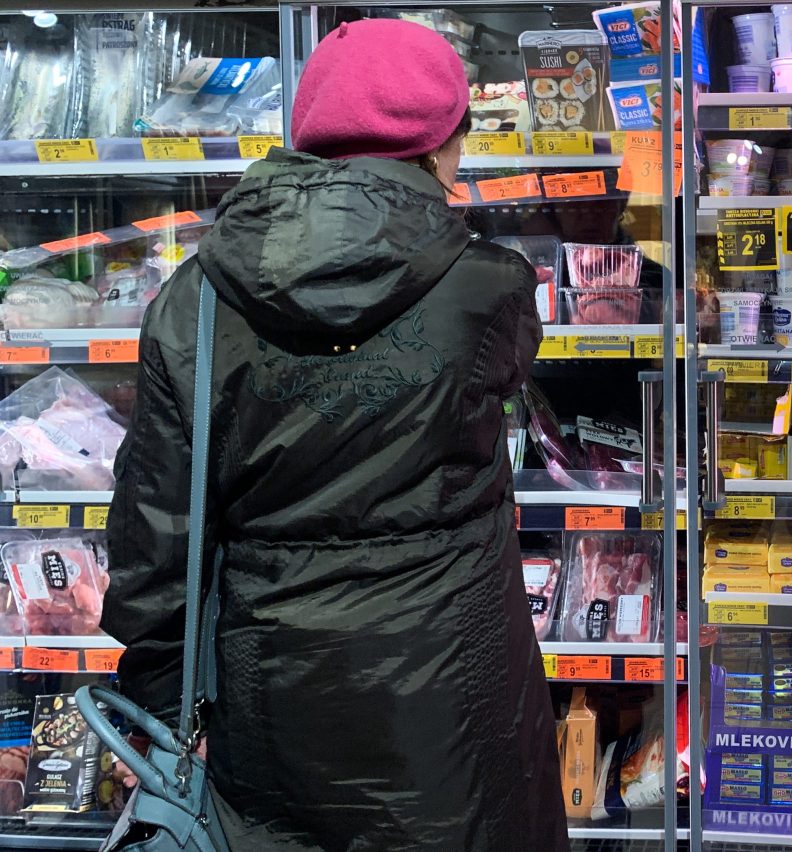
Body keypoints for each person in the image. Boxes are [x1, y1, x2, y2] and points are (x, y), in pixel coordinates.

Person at [100, 19, 565, 851]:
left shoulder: (196, 299)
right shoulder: (489, 288)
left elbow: (155, 536)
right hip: (456, 696)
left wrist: (162, 700)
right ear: (444, 138)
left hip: (271, 703)